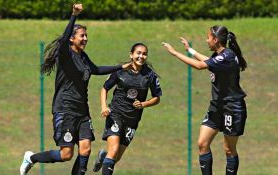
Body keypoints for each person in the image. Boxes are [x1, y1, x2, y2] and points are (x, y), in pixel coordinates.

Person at [19, 3, 132, 175]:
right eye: (82, 35)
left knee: (85, 150)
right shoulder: (66, 54)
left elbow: (96, 70)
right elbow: (63, 40)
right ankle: (31, 158)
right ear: (72, 39)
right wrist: (74, 15)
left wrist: (121, 67)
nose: (85, 38)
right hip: (65, 109)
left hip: (82, 111)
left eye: (86, 35)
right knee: (66, 154)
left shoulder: (83, 57)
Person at [162, 25, 247, 175]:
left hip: (232, 108)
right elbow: (208, 61)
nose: (206, 40)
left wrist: (174, 53)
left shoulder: (226, 56)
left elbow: (200, 65)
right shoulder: (220, 56)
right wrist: (189, 49)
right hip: (216, 106)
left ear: (215, 39)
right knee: (202, 144)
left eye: (208, 37)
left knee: (229, 150)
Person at [92, 43, 162, 175]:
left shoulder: (150, 75)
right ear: (131, 54)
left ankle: (103, 158)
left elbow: (157, 97)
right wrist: (104, 106)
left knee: (116, 157)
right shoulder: (120, 71)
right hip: (116, 115)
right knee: (113, 151)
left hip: (133, 120)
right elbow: (104, 88)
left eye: (144, 54)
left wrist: (143, 104)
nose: (141, 56)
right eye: (138, 53)